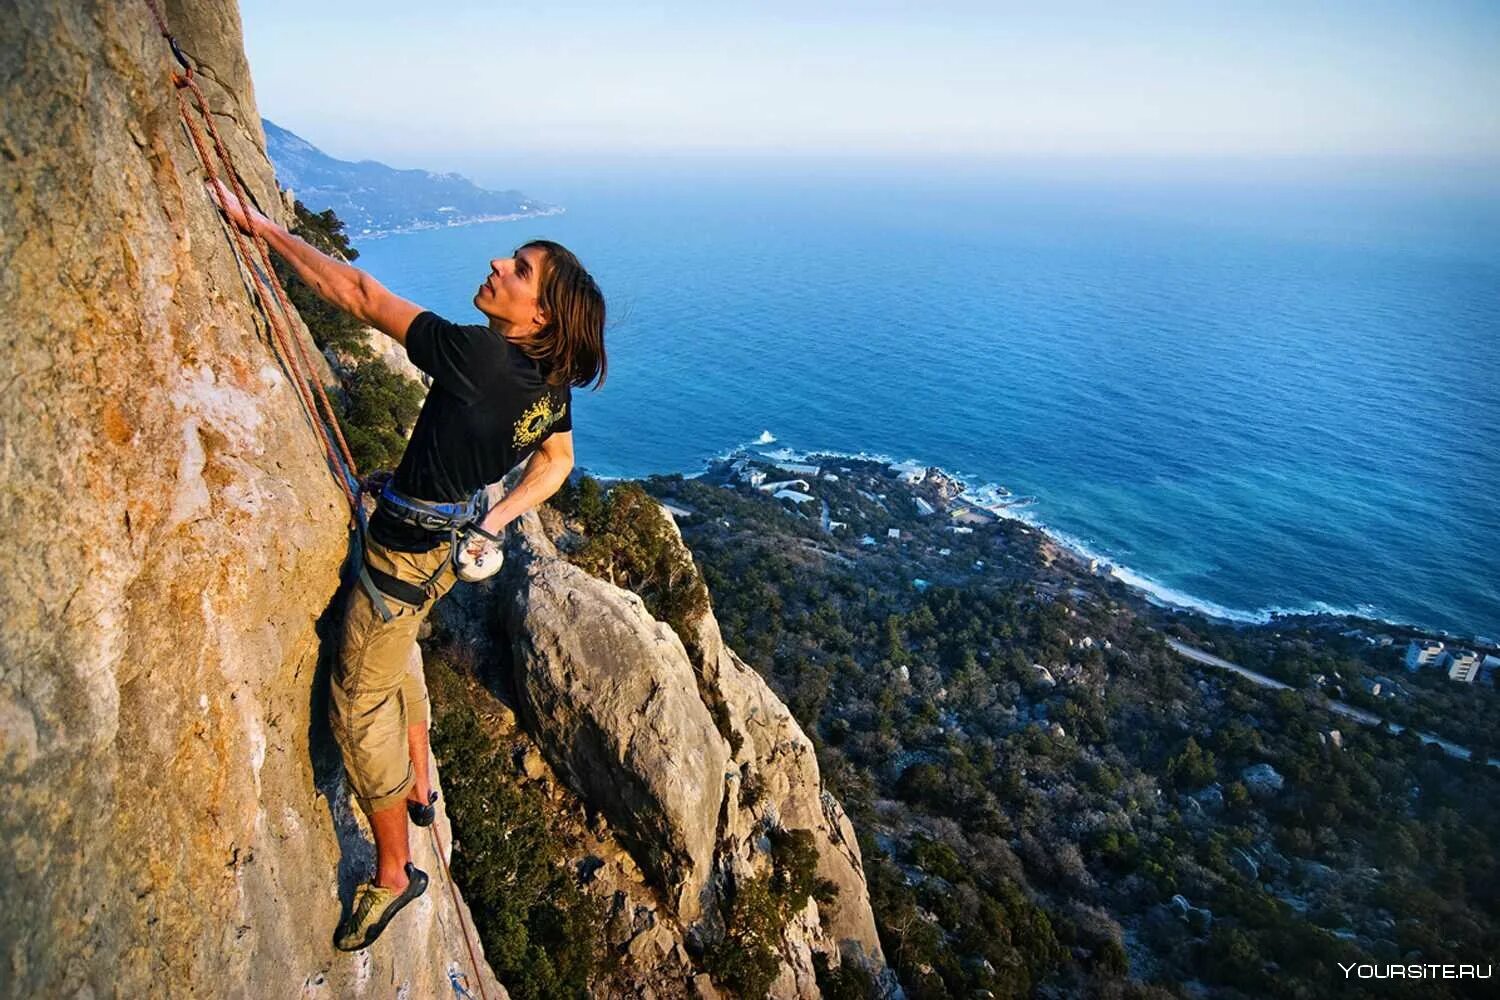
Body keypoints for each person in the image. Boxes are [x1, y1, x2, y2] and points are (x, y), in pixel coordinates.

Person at [208, 180, 606, 950]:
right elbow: (557, 461)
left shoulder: (480, 358)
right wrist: (493, 517)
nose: (498, 263)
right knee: (402, 644)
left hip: (404, 555)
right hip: (442, 550)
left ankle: (395, 874)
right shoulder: (547, 385)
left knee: (357, 704)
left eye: (519, 269)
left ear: (541, 315)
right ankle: (420, 766)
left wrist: (261, 225)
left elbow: (359, 293)